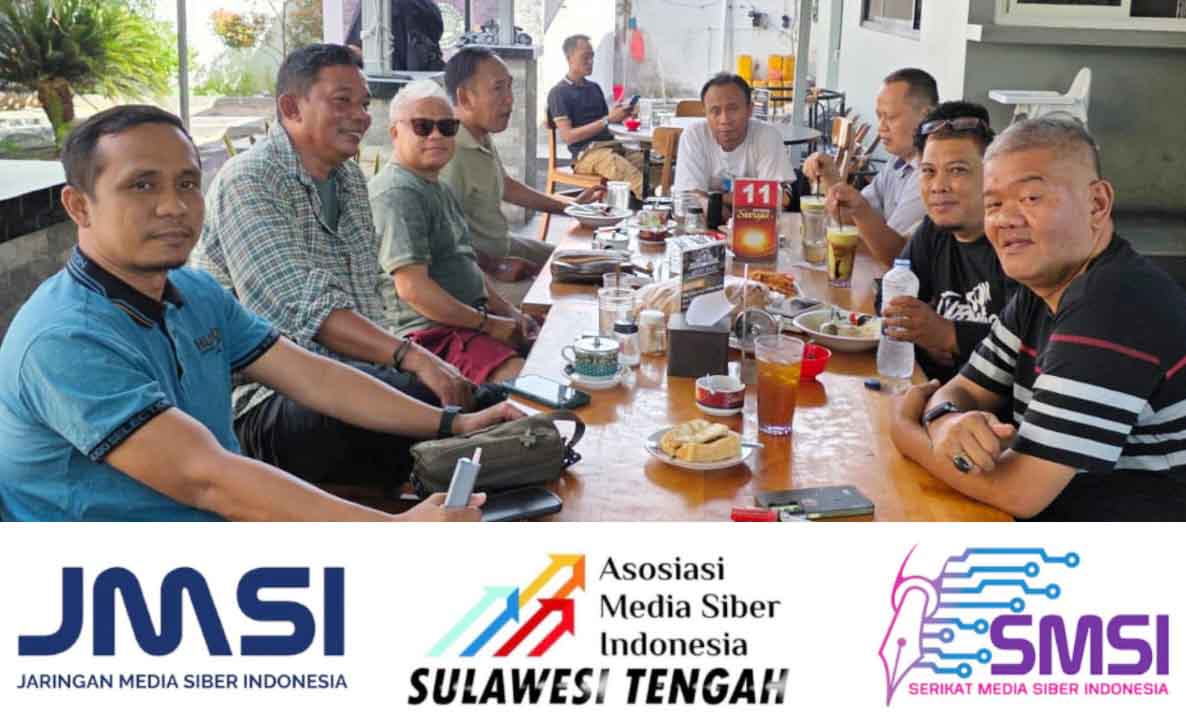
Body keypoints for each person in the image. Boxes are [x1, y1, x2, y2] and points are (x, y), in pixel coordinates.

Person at [0, 105, 516, 521]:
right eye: (142, 185)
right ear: (79, 206)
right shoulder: (65, 338)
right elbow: (206, 478)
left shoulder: (193, 292)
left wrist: (453, 423)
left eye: (187, 183)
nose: (173, 206)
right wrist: (391, 534)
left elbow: (315, 378)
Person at [192, 44, 486, 487]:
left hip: (349, 382)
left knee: (469, 397)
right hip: (264, 403)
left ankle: (481, 463)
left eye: (364, 103)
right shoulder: (250, 180)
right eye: (342, 101)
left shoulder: (349, 180)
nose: (361, 116)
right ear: (291, 108)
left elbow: (366, 303)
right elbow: (307, 311)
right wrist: (413, 359)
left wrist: (410, 368)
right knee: (432, 406)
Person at [891, 117, 1186, 521]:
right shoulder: (1040, 292)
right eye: (994, 204)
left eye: (1030, 198)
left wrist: (906, 431)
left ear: (1097, 204)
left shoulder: (1115, 302)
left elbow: (1019, 491)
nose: (1005, 219)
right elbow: (966, 389)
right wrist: (945, 421)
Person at [372, 79, 534, 384]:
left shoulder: (438, 187)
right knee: (527, 383)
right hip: (430, 338)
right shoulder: (398, 193)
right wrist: (489, 324)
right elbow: (413, 290)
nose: (436, 135)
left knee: (557, 347)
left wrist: (510, 312)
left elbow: (466, 267)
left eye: (447, 127)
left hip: (468, 322)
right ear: (395, 133)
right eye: (422, 126)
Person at [440, 46, 602, 302]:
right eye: (498, 89)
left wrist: (571, 207)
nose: (509, 100)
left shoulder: (478, 134)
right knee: (570, 294)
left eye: (509, 87)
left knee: (584, 264)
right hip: (475, 273)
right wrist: (495, 266)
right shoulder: (448, 154)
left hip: (503, 247)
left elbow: (505, 185)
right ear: (465, 97)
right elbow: (442, 241)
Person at [881, 101, 1016, 382]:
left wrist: (950, 335)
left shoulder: (1015, 241)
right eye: (928, 171)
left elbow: (1030, 347)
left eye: (957, 170)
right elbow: (890, 296)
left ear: (992, 176)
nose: (938, 186)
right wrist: (924, 338)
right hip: (931, 391)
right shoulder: (934, 231)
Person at [803, 68, 936, 265]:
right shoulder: (897, 162)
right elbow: (853, 218)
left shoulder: (929, 176)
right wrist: (830, 178)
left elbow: (893, 250)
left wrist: (859, 212)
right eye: (879, 116)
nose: (881, 127)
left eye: (890, 117)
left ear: (925, 116)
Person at [671, 73, 794, 209]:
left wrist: (716, 201)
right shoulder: (694, 136)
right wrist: (711, 205)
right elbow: (689, 198)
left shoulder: (767, 136)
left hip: (756, 221)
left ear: (749, 110)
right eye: (715, 111)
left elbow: (781, 198)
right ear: (705, 113)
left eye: (733, 109)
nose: (724, 120)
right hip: (707, 222)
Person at [547, 34, 644, 199]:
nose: (591, 61)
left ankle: (645, 206)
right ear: (569, 59)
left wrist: (622, 115)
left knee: (648, 162)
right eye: (585, 57)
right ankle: (655, 208)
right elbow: (568, 136)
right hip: (586, 155)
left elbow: (606, 124)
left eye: (592, 56)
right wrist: (608, 119)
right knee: (622, 169)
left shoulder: (594, 88)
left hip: (613, 147)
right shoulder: (559, 93)